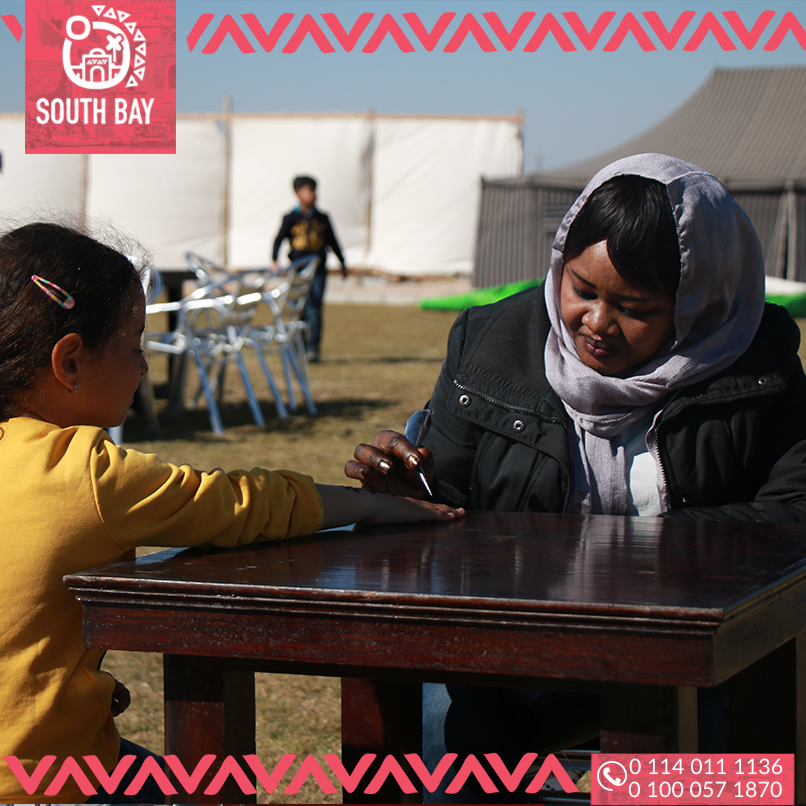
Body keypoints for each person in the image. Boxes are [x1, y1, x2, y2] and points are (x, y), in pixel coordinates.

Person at [345, 153, 806, 800]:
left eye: (635, 306)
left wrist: (604, 558)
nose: (596, 323)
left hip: (693, 649)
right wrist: (409, 496)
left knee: (714, 758)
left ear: (698, 303)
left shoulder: (757, 362)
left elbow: (791, 515)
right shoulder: (490, 343)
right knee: (449, 752)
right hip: (511, 647)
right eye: (582, 289)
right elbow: (449, 508)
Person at [0, 222, 463, 804]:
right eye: (135, 346)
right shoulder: (84, 473)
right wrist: (373, 506)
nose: (144, 368)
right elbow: (242, 504)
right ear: (70, 361)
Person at [272, 175, 347, 363]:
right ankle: (297, 345)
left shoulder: (322, 218)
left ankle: (313, 347)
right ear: (298, 193)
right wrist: (274, 260)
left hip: (318, 270)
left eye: (314, 190)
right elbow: (279, 239)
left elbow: (333, 241)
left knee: (314, 307)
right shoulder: (291, 218)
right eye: (308, 191)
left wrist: (342, 262)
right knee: (297, 307)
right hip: (297, 269)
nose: (313, 194)